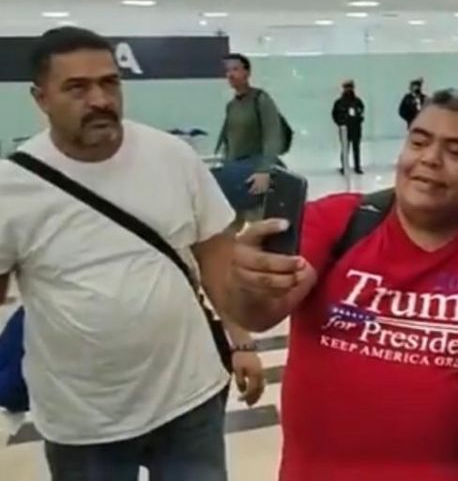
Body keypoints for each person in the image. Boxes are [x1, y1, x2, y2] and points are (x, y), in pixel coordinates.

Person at [0, 26, 265, 481]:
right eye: (77, 88)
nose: (100, 100)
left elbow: (216, 257)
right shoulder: (11, 187)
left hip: (189, 400)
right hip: (84, 422)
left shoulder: (171, 156)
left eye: (109, 83)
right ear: (40, 97)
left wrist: (241, 342)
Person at [226, 89, 458, 481]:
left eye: (457, 151)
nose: (430, 159)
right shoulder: (340, 220)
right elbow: (264, 310)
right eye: (419, 142)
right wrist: (251, 283)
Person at [217, 53, 286, 209]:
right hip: (235, 174)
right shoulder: (231, 106)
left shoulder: (260, 99)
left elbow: (273, 134)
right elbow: (230, 141)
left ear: (247, 73)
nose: (230, 75)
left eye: (235, 69)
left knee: (257, 220)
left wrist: (265, 170)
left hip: (256, 173)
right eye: (227, 71)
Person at [332, 79, 365, 175]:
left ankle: (357, 167)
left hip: (355, 128)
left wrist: (359, 119)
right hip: (344, 130)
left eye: (350, 87)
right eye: (347, 87)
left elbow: (362, 111)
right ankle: (344, 167)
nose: (348, 89)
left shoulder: (358, 101)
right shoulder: (339, 102)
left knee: (356, 149)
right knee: (345, 149)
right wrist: (340, 123)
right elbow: (334, 115)